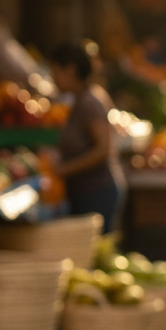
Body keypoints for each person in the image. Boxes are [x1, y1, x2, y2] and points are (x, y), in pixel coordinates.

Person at [48, 41, 126, 234]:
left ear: (71, 70)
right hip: (87, 191)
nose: (53, 78)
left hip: (98, 192)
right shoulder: (81, 99)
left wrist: (62, 170)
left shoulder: (90, 102)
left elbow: (102, 150)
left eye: (55, 71)